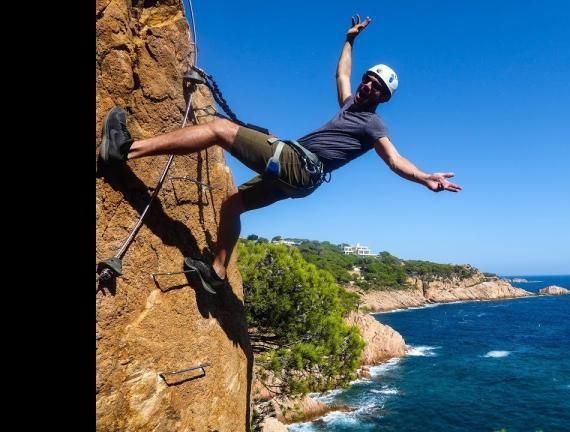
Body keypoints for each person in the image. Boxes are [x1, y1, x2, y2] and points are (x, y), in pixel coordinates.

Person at [99, 15, 462, 294]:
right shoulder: (351, 106)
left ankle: (125, 150)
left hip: (300, 165)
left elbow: (394, 159)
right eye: (369, 79)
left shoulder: (372, 125)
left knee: (218, 130)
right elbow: (342, 75)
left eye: (377, 87)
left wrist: (425, 177)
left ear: (384, 98)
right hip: (301, 176)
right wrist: (349, 40)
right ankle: (217, 274)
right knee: (232, 204)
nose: (368, 86)